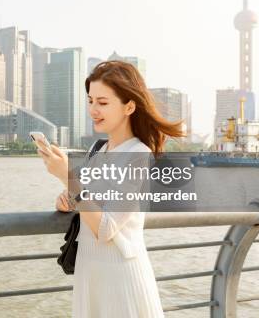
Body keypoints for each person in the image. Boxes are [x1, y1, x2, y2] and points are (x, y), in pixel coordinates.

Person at [37, 60, 185, 317]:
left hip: (120, 278)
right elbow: (86, 201)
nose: (93, 110)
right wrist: (67, 198)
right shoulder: (98, 150)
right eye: (90, 101)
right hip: (91, 272)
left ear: (129, 106)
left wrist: (67, 177)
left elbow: (106, 228)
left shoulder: (139, 155)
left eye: (103, 103)